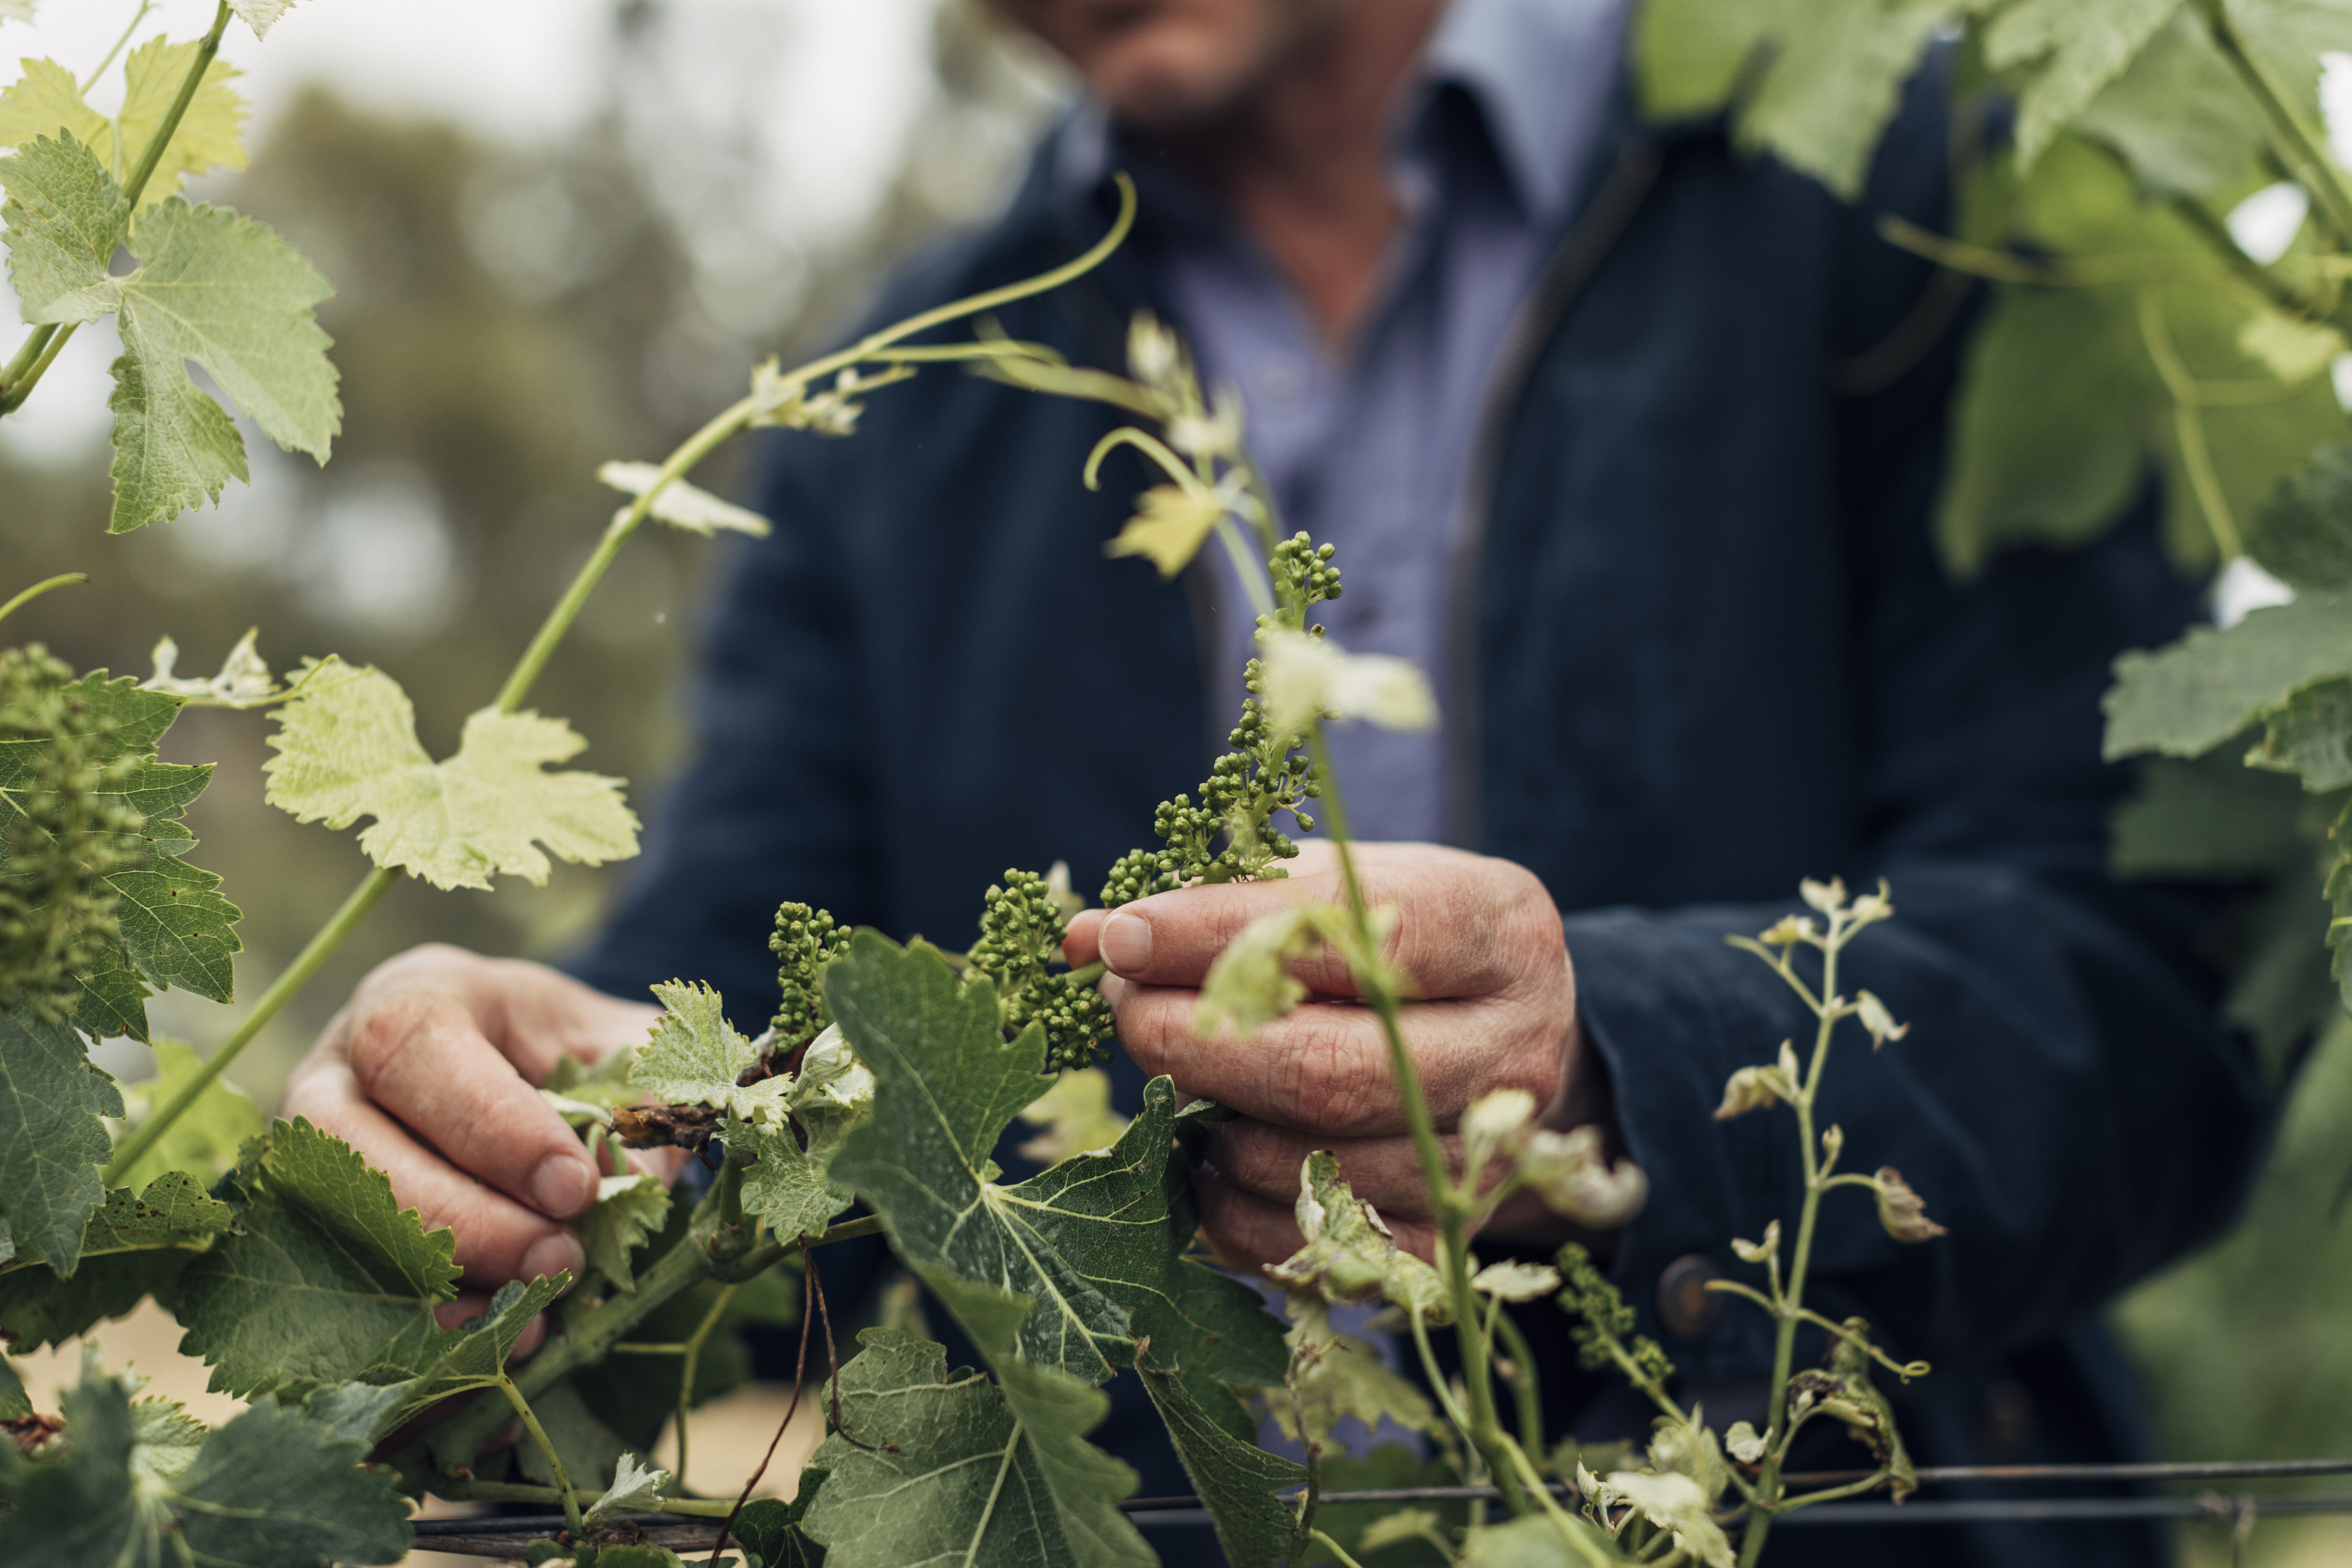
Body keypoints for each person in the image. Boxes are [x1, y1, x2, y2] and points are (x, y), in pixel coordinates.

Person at [282, 1, 2268, 1562]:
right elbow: (767, 1008)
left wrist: (1615, 1070)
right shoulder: (898, 396)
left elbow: (2151, 986)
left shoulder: (1900, 201)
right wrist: (570, 1120)